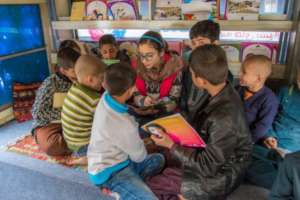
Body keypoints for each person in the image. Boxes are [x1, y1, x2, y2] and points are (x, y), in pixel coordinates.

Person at [152, 44, 252, 199]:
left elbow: (208, 166)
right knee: (161, 155)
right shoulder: (221, 89)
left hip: (223, 173)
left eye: (191, 73)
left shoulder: (224, 118)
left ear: (200, 79)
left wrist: (171, 145)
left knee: (155, 184)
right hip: (210, 153)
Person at [88, 63, 165, 199]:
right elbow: (139, 157)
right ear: (132, 89)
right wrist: (148, 141)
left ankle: (132, 186)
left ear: (105, 84)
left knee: (158, 159)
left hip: (121, 160)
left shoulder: (106, 96)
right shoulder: (125, 125)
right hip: (110, 173)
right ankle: (116, 190)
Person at [180, 20, 234, 120]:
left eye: (201, 42)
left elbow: (218, 111)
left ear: (215, 44)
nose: (196, 48)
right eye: (193, 43)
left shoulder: (225, 76)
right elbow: (183, 99)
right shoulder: (189, 69)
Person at [31, 47, 80, 156]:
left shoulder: (81, 79)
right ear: (63, 70)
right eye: (74, 71)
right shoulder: (50, 84)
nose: (78, 74)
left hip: (75, 123)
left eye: (80, 70)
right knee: (51, 146)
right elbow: (37, 113)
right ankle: (78, 144)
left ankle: (77, 143)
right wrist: (66, 114)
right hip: (50, 124)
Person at [61, 55, 105, 165]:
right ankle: (86, 160)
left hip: (70, 142)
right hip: (84, 145)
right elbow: (106, 121)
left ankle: (82, 156)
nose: (103, 82)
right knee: (114, 152)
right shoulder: (93, 100)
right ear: (90, 79)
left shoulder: (74, 88)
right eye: (102, 79)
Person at [132, 31, 183, 116]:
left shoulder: (174, 68)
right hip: (142, 112)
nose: (144, 61)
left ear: (161, 52)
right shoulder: (137, 66)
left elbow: (174, 99)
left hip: (165, 114)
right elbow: (135, 94)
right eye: (141, 55)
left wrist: (157, 105)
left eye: (150, 55)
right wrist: (142, 101)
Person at [236, 55, 279, 143]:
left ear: (258, 78)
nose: (239, 74)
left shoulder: (269, 99)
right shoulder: (238, 89)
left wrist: (247, 142)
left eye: (244, 72)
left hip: (248, 140)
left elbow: (263, 125)